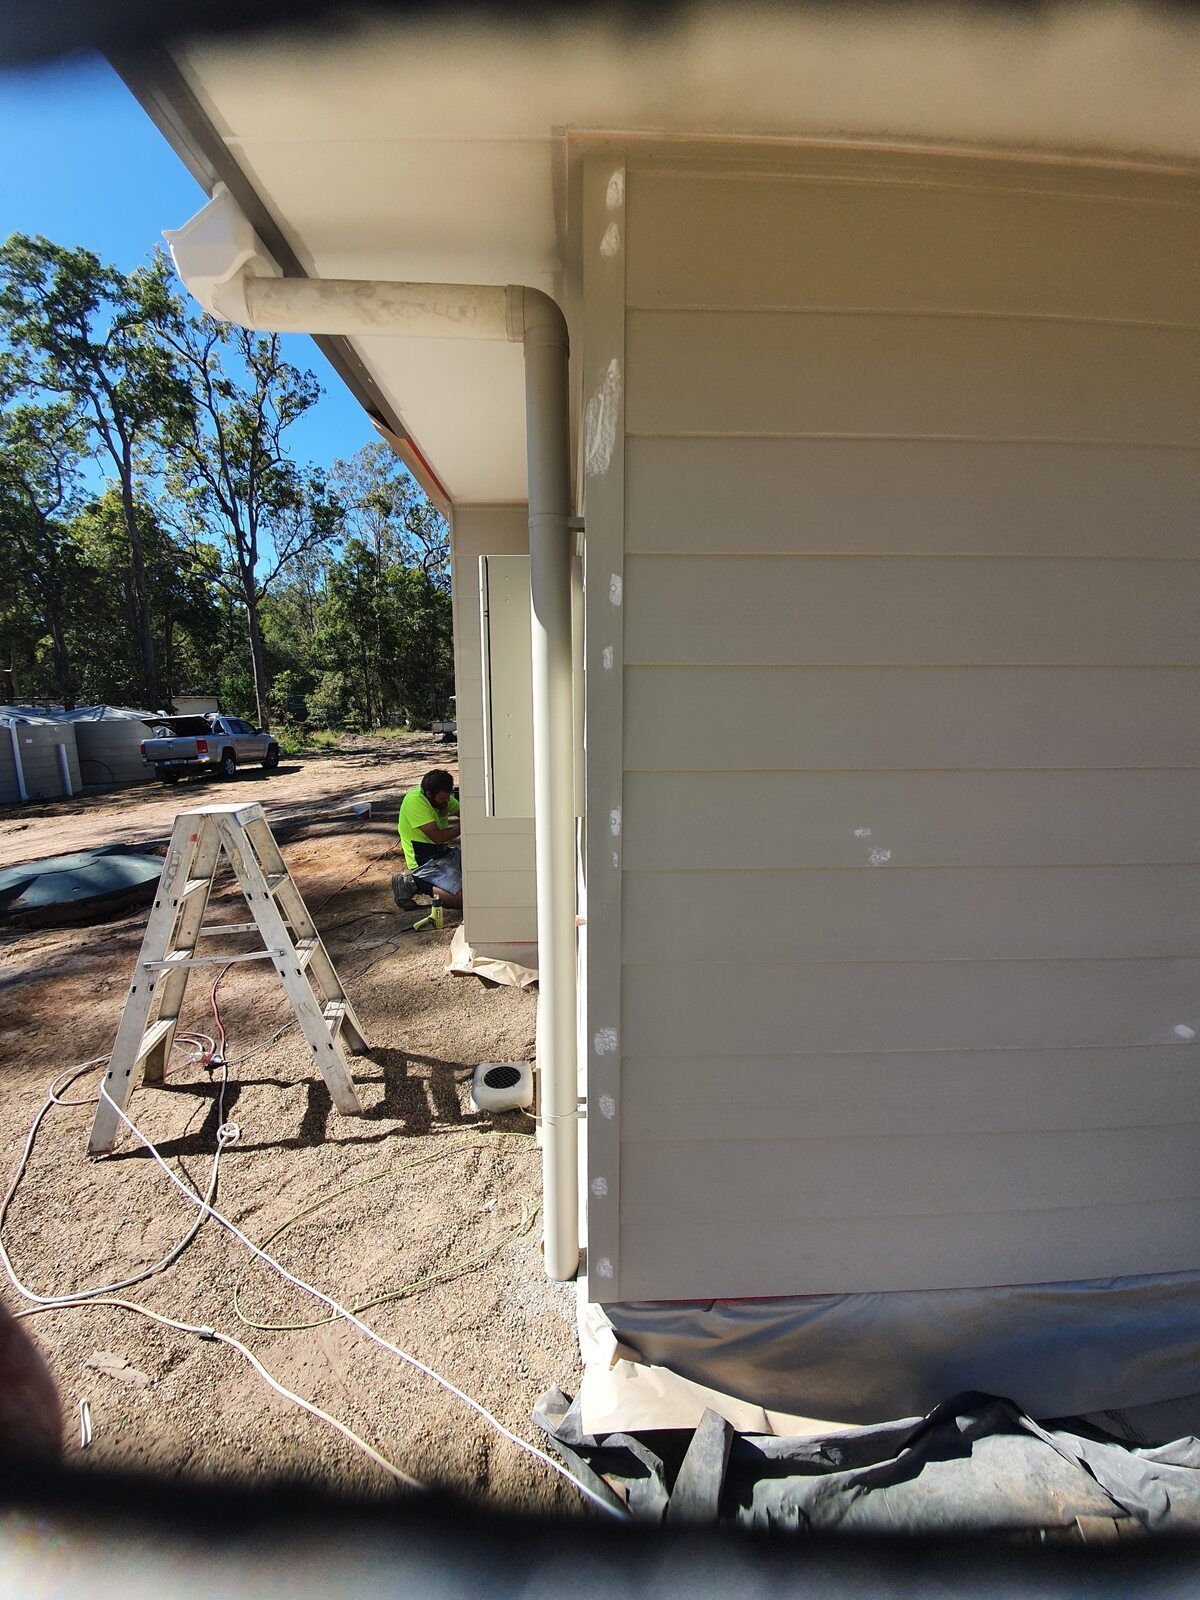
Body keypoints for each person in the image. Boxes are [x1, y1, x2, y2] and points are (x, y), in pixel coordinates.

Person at [397, 768, 462, 912]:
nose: (446, 801)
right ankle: (416, 883)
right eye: (442, 799)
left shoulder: (442, 797)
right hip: (424, 862)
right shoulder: (415, 802)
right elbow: (438, 837)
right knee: (464, 900)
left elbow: (465, 812)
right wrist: (466, 824)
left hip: (443, 854)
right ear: (428, 794)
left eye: (448, 797)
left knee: (481, 874)